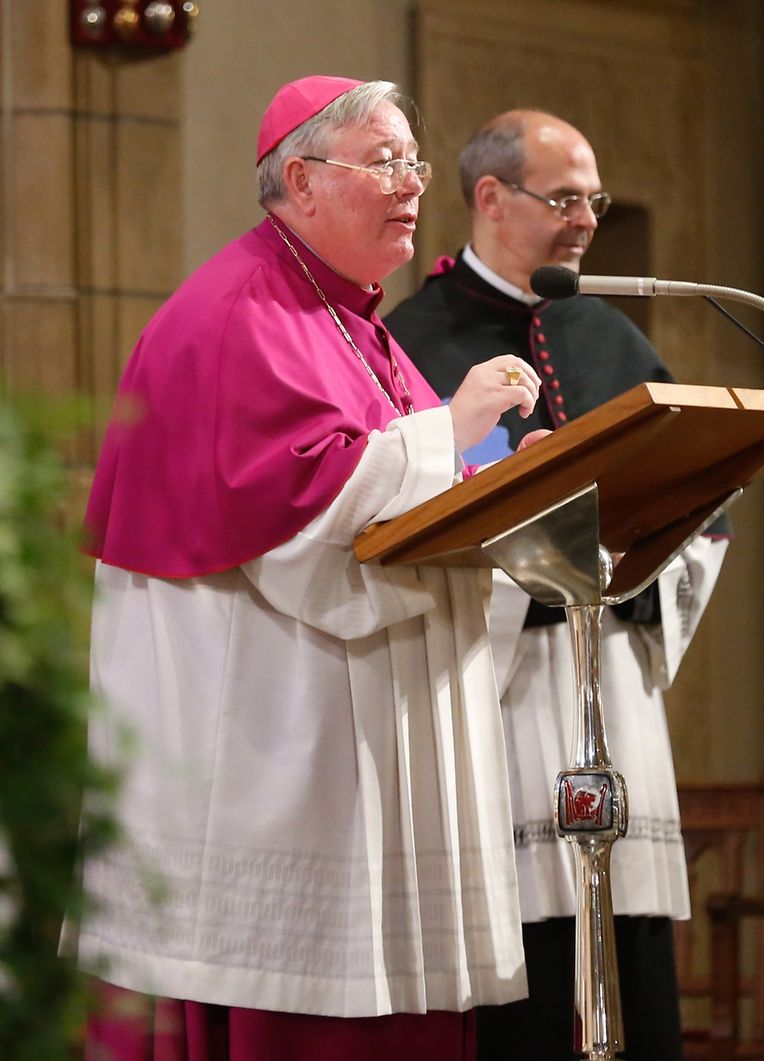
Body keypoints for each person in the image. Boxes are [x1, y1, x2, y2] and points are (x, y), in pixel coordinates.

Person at [66, 77, 547, 1061]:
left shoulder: (350, 321)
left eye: (414, 161)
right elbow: (297, 516)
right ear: (300, 178)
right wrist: (451, 429)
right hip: (268, 755)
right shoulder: (236, 312)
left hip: (352, 756)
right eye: (384, 162)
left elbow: (399, 496)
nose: (411, 184)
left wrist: (498, 477)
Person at [385, 108, 732, 1061]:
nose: (586, 220)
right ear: (491, 198)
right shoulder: (412, 340)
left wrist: (637, 570)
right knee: (525, 968)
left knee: (633, 949)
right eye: (566, 199)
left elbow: (703, 512)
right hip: (497, 692)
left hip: (613, 687)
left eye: (595, 201)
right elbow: (400, 527)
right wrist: (531, 580)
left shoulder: (612, 336)